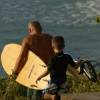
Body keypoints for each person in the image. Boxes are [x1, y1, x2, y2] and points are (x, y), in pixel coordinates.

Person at [11, 21, 54, 100]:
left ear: (30, 30)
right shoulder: (50, 38)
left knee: (34, 97)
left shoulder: (28, 40)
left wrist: (15, 73)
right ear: (41, 28)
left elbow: (21, 57)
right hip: (49, 73)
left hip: (34, 74)